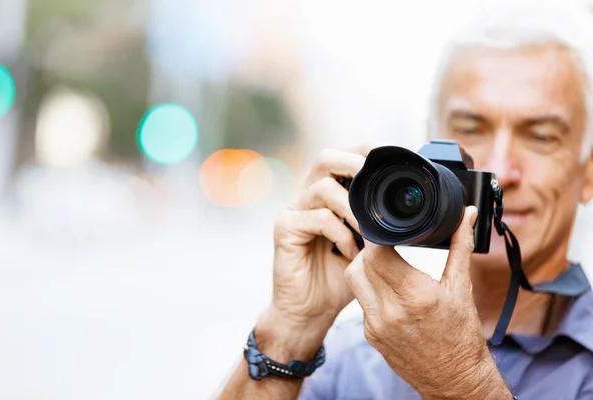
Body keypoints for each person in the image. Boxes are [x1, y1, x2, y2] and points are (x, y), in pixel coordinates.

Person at [218, 3, 593, 399]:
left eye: (541, 137)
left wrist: (460, 381)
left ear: (588, 173)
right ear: (429, 151)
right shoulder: (353, 358)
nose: (501, 168)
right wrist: (291, 328)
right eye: (471, 129)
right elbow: (293, 336)